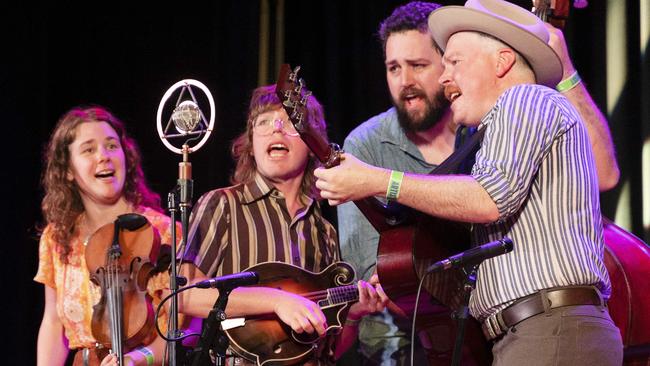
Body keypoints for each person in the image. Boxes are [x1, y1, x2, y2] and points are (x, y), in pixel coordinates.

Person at [317, 0, 623, 365]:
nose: (445, 78)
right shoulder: (494, 128)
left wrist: (378, 180)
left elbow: (489, 197)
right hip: (533, 332)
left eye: (455, 63)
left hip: (548, 330)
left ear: (502, 61)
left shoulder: (523, 99)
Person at [174, 85, 388, 365]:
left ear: (314, 144)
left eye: (289, 123)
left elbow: (327, 349)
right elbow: (185, 295)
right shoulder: (223, 205)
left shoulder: (325, 232)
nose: (276, 130)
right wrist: (277, 301)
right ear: (251, 143)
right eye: (263, 122)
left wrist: (356, 314)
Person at [35, 106, 177, 365]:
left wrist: (137, 359)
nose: (103, 156)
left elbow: (185, 327)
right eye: (88, 149)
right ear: (67, 169)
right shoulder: (57, 238)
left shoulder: (164, 231)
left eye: (112, 146)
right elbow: (54, 323)